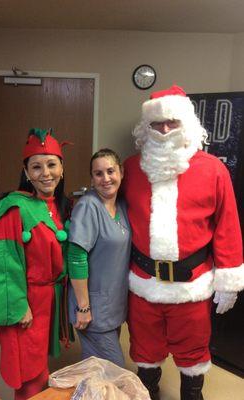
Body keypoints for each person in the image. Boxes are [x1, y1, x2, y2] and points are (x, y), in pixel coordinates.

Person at [122, 85, 244, 400]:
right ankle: (147, 390)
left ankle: (192, 394)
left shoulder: (213, 169)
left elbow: (227, 224)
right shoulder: (131, 169)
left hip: (192, 284)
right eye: (156, 124)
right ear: (145, 128)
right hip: (143, 283)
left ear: (186, 123)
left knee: (193, 352)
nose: (164, 130)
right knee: (144, 349)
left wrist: (228, 279)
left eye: (171, 122)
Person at [0, 128, 71, 400]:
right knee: (28, 372)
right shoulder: (13, 208)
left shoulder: (58, 206)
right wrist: (18, 306)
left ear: (62, 168)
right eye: (37, 166)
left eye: (52, 164)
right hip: (25, 301)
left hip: (47, 300)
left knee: (39, 367)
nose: (46, 173)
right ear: (26, 171)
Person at [67, 148, 131, 367]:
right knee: (114, 370)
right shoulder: (88, 206)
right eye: (98, 174)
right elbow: (76, 257)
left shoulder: (121, 205)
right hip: (92, 307)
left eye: (110, 171)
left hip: (112, 304)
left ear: (121, 172)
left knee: (98, 371)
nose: (106, 179)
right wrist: (83, 307)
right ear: (92, 179)